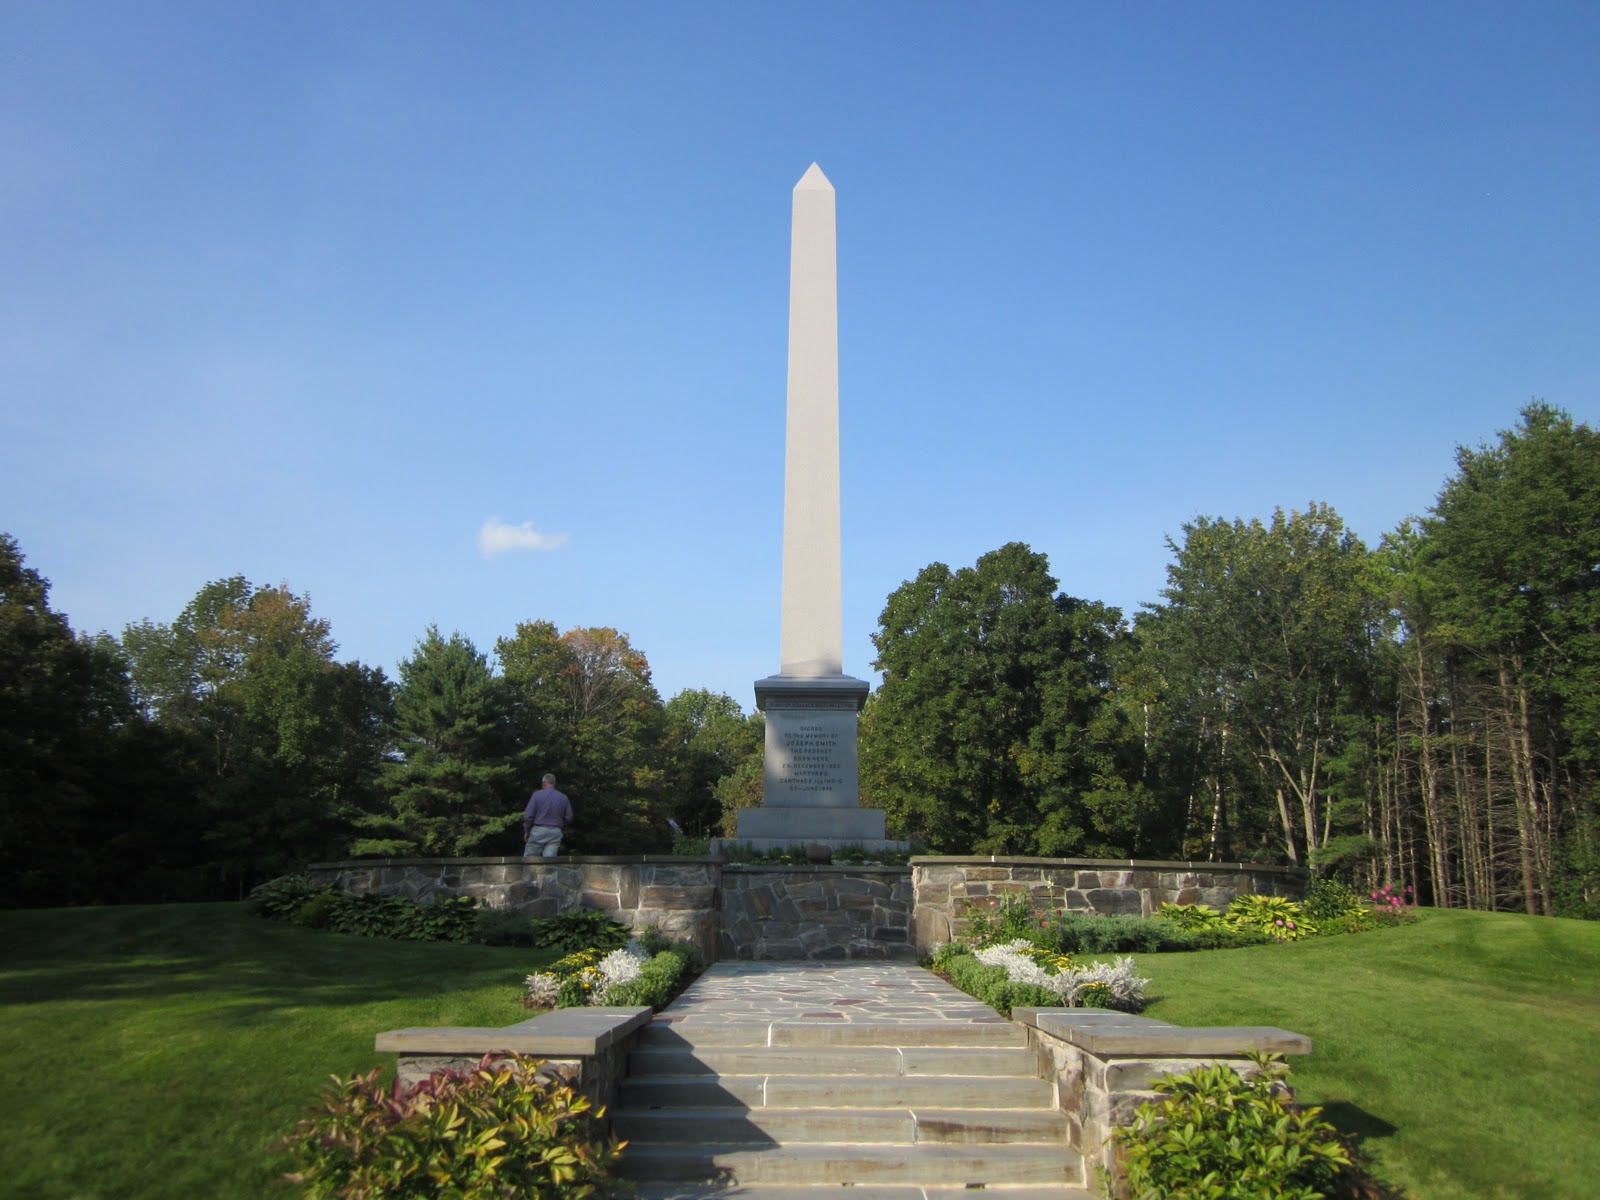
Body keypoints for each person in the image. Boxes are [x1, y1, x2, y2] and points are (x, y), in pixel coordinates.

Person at [521, 774, 573, 858]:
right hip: (555, 831)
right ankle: (549, 870)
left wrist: (527, 830)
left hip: (538, 831)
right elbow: (569, 817)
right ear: (553, 783)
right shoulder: (563, 797)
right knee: (550, 861)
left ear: (544, 783)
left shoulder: (536, 795)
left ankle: (530, 871)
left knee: (530, 859)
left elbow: (528, 816)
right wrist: (559, 824)